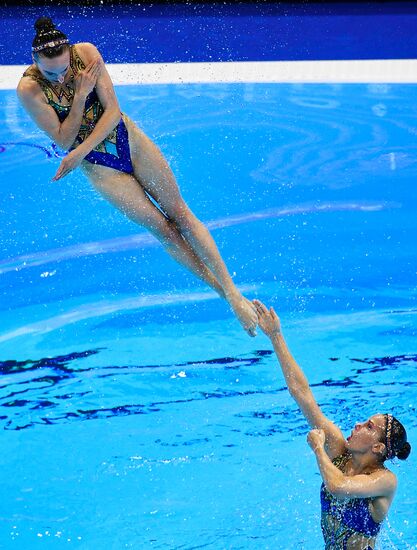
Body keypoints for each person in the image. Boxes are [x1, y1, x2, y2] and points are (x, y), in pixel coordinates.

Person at [17, 17, 259, 336]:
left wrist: (78, 151)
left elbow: (112, 112)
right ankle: (228, 297)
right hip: (100, 166)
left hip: (126, 139)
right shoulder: (29, 89)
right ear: (35, 62)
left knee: (181, 215)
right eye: (52, 72)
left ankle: (233, 291)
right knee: (164, 230)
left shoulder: (86, 54)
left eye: (64, 69)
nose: (61, 77)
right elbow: (62, 139)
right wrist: (79, 98)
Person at [253, 299, 411, 550]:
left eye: (369, 427)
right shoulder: (339, 451)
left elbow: (337, 486)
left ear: (379, 448)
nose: (358, 424)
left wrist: (317, 448)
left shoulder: (384, 481)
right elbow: (302, 395)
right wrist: (275, 337)